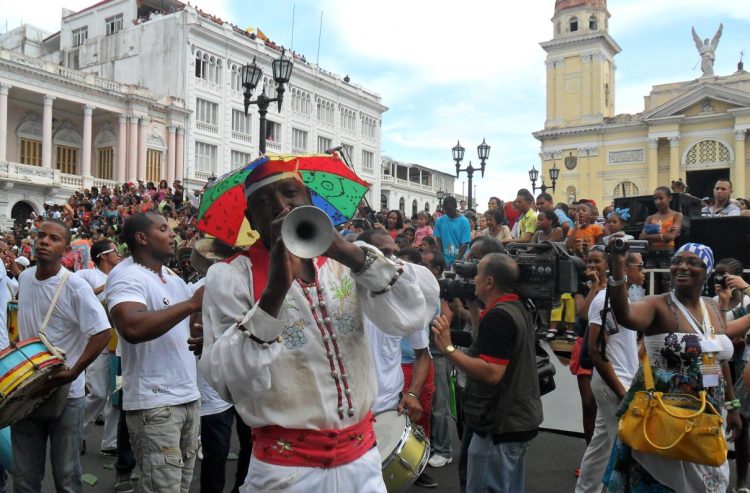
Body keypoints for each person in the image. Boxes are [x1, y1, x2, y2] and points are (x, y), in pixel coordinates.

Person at [199, 160, 438, 492]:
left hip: (364, 463)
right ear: (252, 220)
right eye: (264, 202)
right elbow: (227, 379)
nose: (282, 206)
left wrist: (346, 251)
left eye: (290, 193)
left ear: (310, 201)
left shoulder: (351, 261)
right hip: (286, 474)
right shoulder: (230, 277)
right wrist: (273, 293)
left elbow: (415, 310)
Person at [605, 243, 741, 492]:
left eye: (693, 262)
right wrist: (617, 269)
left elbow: (717, 359)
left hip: (704, 417)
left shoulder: (711, 307)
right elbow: (625, 315)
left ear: (707, 271)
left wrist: (732, 406)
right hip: (663, 419)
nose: (682, 266)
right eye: (677, 260)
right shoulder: (657, 305)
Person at [106, 212, 205, 493]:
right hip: (156, 405)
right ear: (142, 238)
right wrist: (190, 305)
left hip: (187, 398)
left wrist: (200, 330)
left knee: (180, 488)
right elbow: (132, 327)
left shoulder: (171, 277)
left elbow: (182, 327)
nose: (173, 234)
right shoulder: (126, 275)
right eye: (164, 229)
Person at [12, 219, 112, 493]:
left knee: (67, 477)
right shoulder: (25, 278)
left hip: (67, 395)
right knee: (23, 478)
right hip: (28, 391)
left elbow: (102, 331)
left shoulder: (75, 286)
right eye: (41, 236)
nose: (44, 241)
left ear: (65, 249)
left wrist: (74, 371)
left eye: (53, 238)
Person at [432, 253, 542, 492]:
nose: (473, 280)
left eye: (477, 274)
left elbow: (492, 372)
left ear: (489, 282)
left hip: (499, 425)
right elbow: (488, 340)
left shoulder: (499, 316)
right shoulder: (515, 306)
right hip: (514, 421)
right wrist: (472, 305)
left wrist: (448, 349)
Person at [358, 229, 440, 489]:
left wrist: (413, 393)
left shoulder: (406, 300)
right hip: (350, 415)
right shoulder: (343, 294)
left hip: (387, 410)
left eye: (394, 252)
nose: (391, 259)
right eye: (384, 252)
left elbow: (422, 354)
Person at [575, 251, 645, 493]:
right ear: (624, 269)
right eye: (640, 266)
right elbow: (595, 350)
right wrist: (622, 391)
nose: (644, 271)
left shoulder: (621, 299)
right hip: (614, 383)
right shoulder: (606, 300)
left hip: (617, 381)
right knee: (628, 452)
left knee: (601, 445)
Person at [76, 240, 122, 457]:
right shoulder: (87, 275)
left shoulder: (123, 274)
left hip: (119, 344)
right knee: (97, 392)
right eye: (115, 250)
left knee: (115, 395)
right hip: (96, 342)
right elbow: (77, 298)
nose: (119, 254)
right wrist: (104, 287)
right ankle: (77, 434)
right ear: (103, 255)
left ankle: (110, 443)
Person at [640, 186, 683, 252]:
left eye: (661, 198)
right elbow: (642, 237)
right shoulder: (650, 218)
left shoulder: (677, 215)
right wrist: (664, 236)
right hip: (651, 255)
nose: (657, 202)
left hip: (668, 255)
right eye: (655, 199)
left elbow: (671, 237)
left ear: (670, 198)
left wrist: (649, 236)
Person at [433, 196, 471, 265]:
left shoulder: (464, 222)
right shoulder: (439, 221)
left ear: (455, 207)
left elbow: (464, 244)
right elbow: (438, 241)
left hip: (461, 260)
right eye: (445, 209)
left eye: (449, 209)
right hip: (445, 260)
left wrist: (456, 262)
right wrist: (441, 258)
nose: (447, 212)